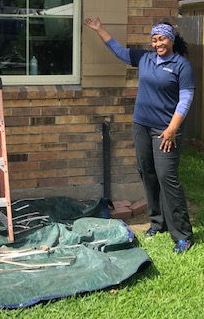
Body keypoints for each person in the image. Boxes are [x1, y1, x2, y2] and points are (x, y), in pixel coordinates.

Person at [84, 18, 196, 253]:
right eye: (154, 40)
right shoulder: (144, 59)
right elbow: (119, 51)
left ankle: (183, 235)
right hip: (142, 126)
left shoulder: (181, 65)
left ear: (171, 39)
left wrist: (173, 128)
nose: (157, 44)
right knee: (147, 172)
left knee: (167, 176)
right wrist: (99, 29)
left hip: (166, 130)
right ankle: (158, 222)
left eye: (162, 38)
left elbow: (185, 99)